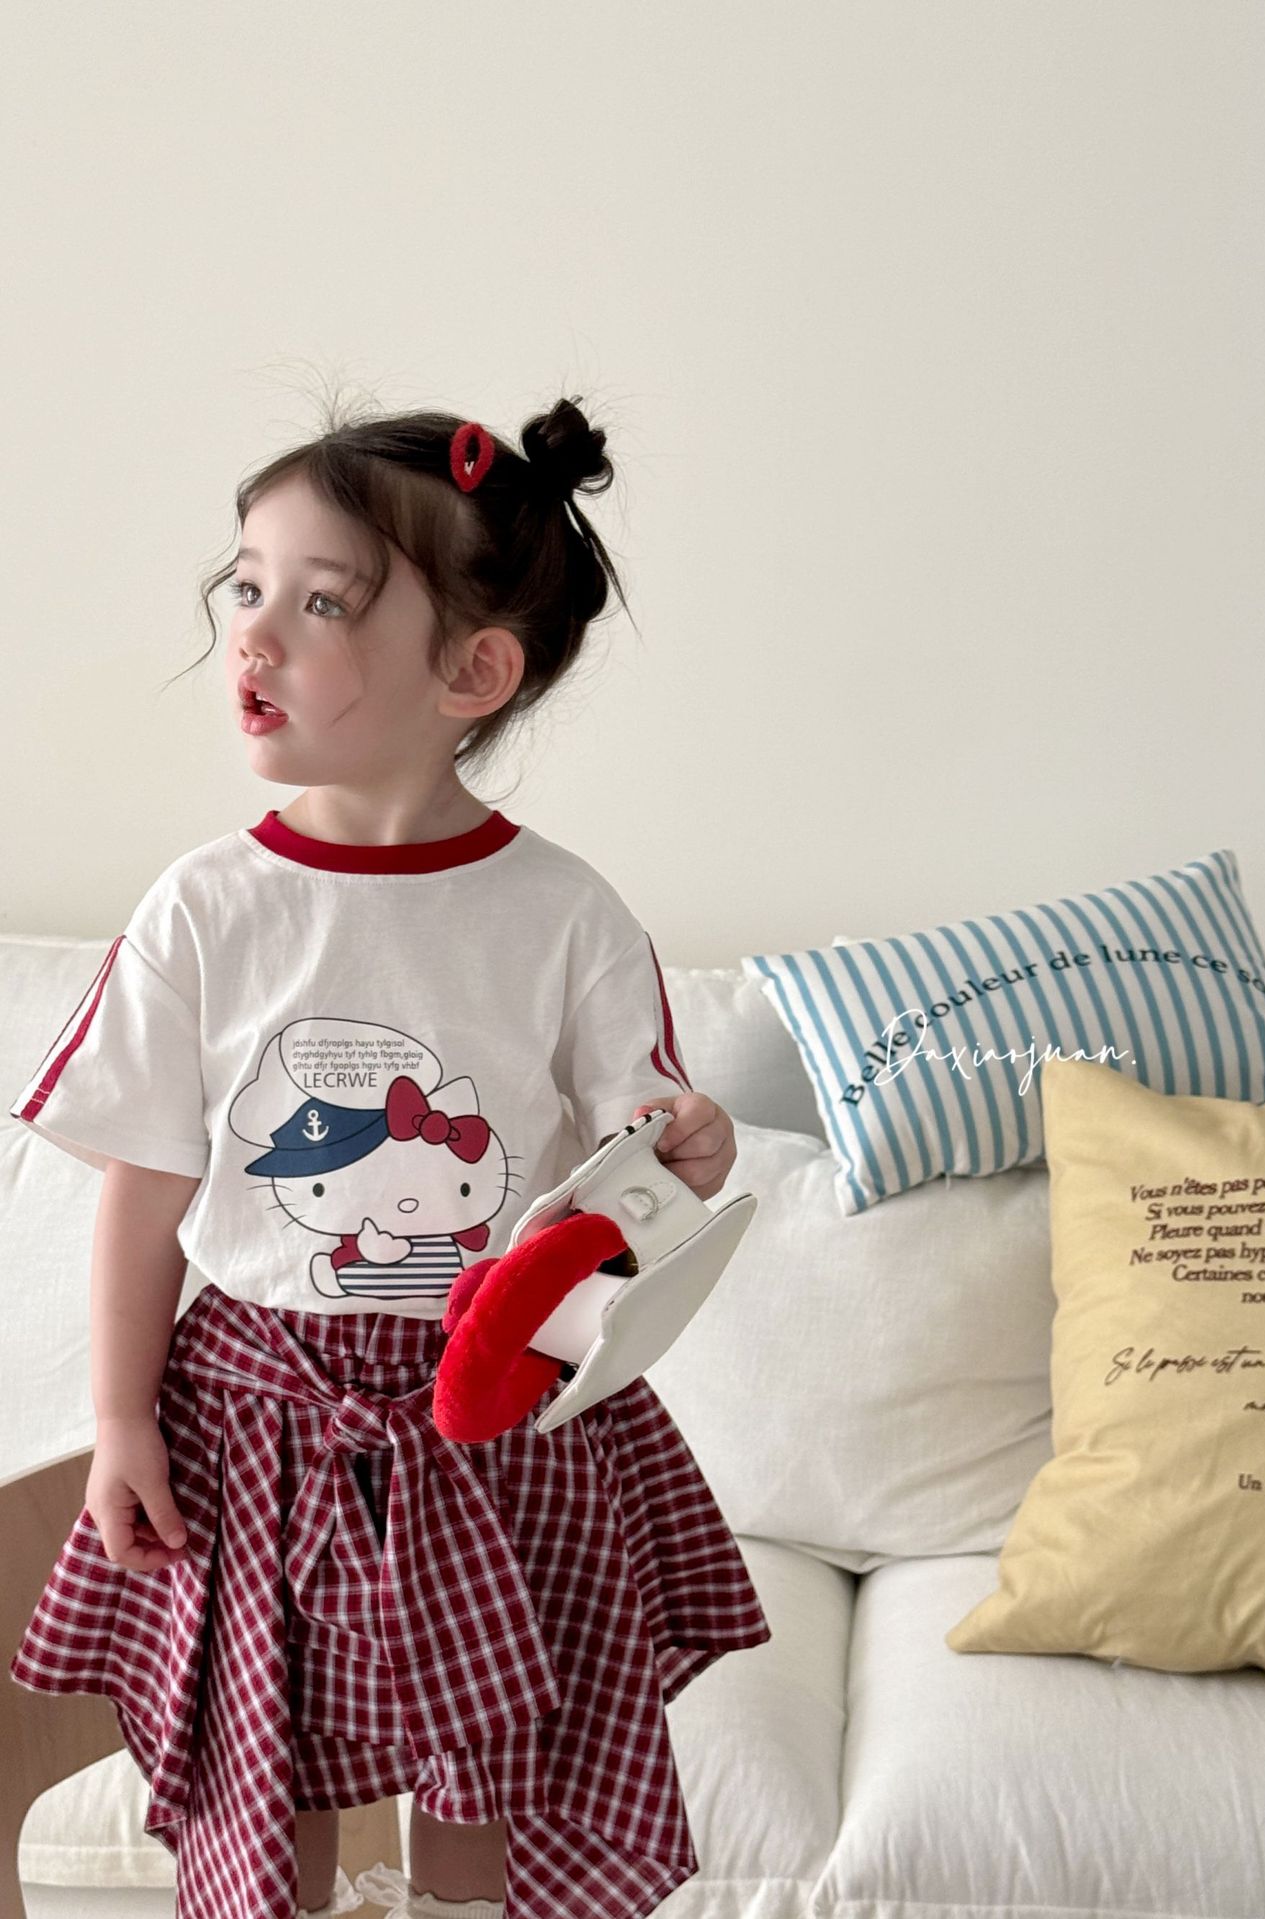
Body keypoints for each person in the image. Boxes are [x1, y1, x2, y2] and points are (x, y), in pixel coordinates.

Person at [8, 400, 772, 1919]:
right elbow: (145, 1190)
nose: (251, 632)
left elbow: (646, 1161)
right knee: (267, 1765)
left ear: (473, 671)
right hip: (254, 1417)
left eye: (322, 602)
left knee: (491, 1766)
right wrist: (119, 1418)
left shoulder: (563, 915)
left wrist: (691, 1148)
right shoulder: (204, 910)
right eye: (246, 584)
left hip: (498, 1411)